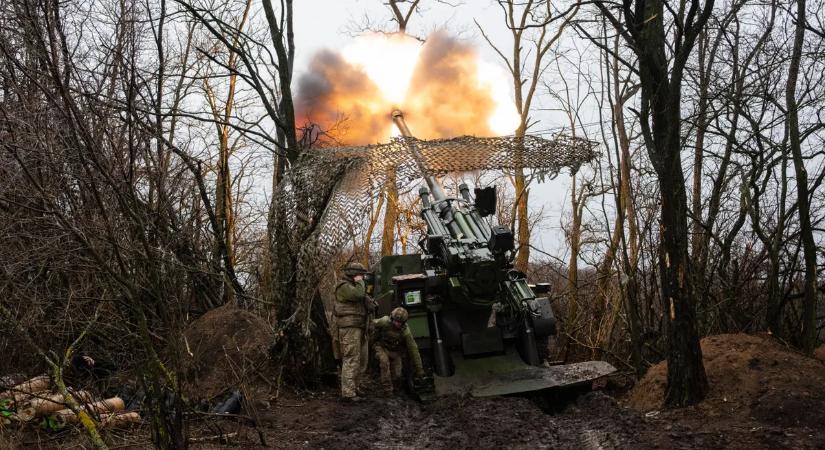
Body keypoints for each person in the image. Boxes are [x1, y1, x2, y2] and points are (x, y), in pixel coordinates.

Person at [334, 261, 372, 402]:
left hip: (359, 327)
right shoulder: (343, 286)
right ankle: (348, 393)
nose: (363, 277)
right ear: (353, 275)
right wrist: (360, 283)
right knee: (351, 359)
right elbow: (358, 295)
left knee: (362, 360)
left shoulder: (355, 286)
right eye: (361, 275)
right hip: (349, 328)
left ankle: (355, 387)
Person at [372, 307, 424, 396]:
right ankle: (387, 390)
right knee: (384, 363)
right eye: (395, 321)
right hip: (381, 347)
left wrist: (419, 370)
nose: (397, 324)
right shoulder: (384, 321)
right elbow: (371, 324)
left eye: (400, 322)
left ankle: (396, 390)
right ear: (392, 318)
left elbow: (413, 350)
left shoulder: (405, 332)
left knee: (397, 374)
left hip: (395, 352)